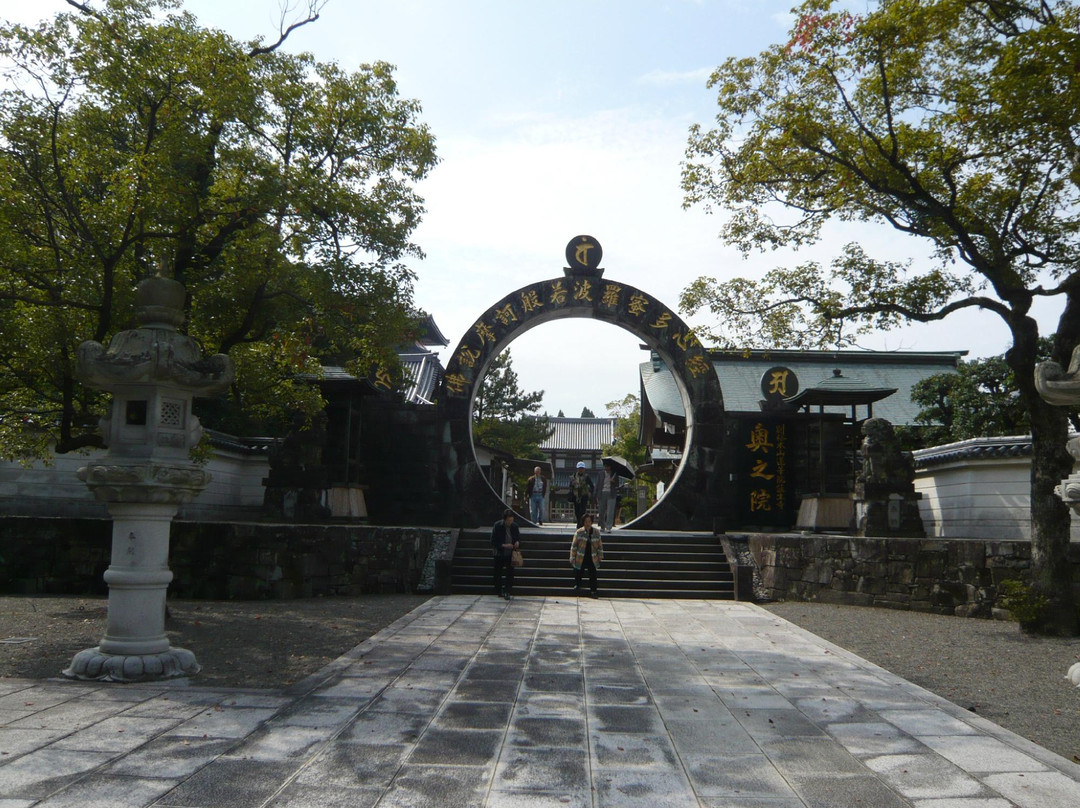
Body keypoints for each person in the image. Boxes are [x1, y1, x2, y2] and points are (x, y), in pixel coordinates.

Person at [569, 513, 603, 597]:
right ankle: (577, 585)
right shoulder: (579, 532)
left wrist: (600, 555)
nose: (588, 523)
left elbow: (599, 545)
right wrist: (572, 556)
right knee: (578, 571)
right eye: (586, 521)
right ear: (583, 522)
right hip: (581, 555)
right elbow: (574, 545)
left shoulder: (596, 532)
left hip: (592, 556)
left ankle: (593, 591)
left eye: (589, 521)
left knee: (593, 574)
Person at [490, 508, 520, 600]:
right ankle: (499, 590)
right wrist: (504, 545)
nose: (510, 522)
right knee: (498, 572)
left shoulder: (514, 526)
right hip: (499, 553)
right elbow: (493, 541)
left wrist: (517, 543)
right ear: (504, 519)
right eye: (508, 520)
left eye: (511, 520)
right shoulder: (497, 526)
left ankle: (508, 590)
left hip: (510, 554)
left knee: (510, 573)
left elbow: (517, 538)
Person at [568, 461, 595, 528]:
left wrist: (590, 493)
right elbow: (570, 486)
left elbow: (592, 486)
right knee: (577, 511)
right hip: (576, 496)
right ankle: (578, 521)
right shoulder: (574, 476)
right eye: (579, 468)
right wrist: (573, 484)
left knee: (582, 511)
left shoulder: (586, 477)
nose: (581, 470)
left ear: (584, 469)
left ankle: (581, 524)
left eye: (582, 468)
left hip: (584, 496)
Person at [597, 461, 620, 530]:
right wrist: (596, 494)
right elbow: (598, 484)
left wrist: (613, 481)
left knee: (610, 511)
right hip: (602, 493)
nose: (607, 468)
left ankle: (609, 527)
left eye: (608, 466)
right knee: (601, 511)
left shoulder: (615, 474)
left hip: (611, 493)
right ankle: (602, 525)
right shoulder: (600, 473)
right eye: (606, 466)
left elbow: (617, 484)